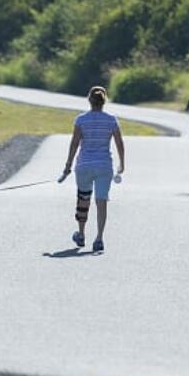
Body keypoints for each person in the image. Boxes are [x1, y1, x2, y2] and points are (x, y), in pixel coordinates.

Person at [62, 85, 125, 252]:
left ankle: (81, 234)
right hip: (104, 165)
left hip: (84, 165)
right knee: (101, 201)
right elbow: (119, 143)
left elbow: (74, 143)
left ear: (89, 100)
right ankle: (99, 238)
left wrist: (68, 165)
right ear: (104, 101)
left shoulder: (81, 120)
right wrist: (122, 164)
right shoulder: (111, 120)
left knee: (83, 199)